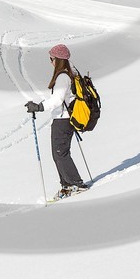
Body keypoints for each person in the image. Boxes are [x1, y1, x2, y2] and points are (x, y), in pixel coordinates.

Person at [24, 43, 88, 197]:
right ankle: (66, 185)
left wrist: (38, 107)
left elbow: (57, 99)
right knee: (58, 154)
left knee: (60, 154)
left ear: (58, 59)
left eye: (51, 58)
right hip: (63, 119)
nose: (50, 61)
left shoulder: (63, 77)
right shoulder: (68, 74)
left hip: (63, 120)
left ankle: (76, 184)